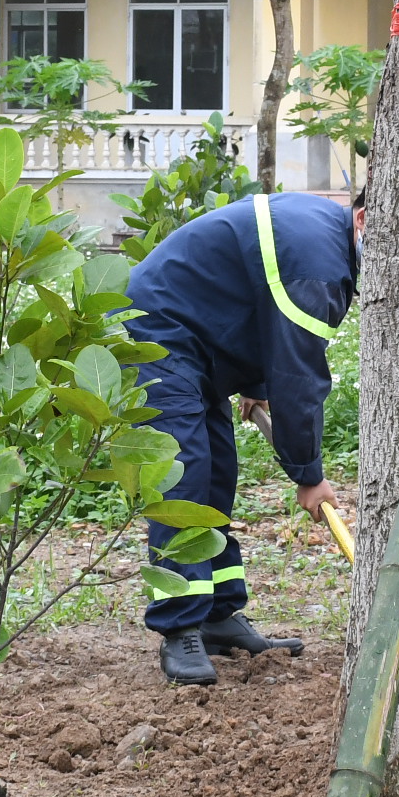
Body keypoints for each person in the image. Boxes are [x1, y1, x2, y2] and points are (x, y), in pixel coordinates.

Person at [125, 191, 359, 685]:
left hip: (199, 336)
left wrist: (254, 384)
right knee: (183, 476)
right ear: (363, 219)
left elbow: (260, 303)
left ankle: (217, 615)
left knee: (217, 473)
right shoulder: (318, 267)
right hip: (161, 328)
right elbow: (298, 377)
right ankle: (180, 627)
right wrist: (309, 475)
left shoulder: (325, 237)